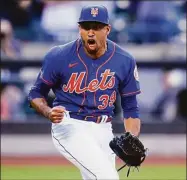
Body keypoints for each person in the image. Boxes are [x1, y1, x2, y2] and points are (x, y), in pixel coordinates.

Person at [28, 5, 141, 180]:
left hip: (104, 128)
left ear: (107, 29)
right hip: (70, 125)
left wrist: (131, 136)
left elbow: (131, 107)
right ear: (79, 28)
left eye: (96, 27)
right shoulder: (59, 56)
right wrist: (48, 111)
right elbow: (35, 93)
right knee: (107, 177)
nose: (90, 32)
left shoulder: (124, 60)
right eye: (86, 27)